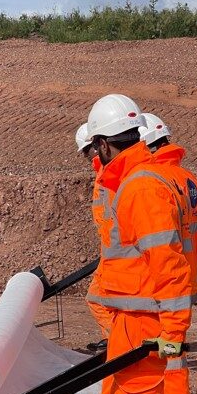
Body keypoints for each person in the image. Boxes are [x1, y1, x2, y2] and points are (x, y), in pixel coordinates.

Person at [84, 94, 197, 394]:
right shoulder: (141, 180)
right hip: (136, 319)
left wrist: (171, 335)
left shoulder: (142, 187)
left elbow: (167, 266)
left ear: (104, 145)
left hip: (144, 322)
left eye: (95, 149)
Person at [139, 113, 197, 394]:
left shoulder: (155, 181)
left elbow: (159, 247)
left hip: (158, 292)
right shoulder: (188, 179)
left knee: (157, 369)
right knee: (174, 364)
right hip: (182, 288)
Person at [75, 122, 112, 355]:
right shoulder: (103, 173)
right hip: (111, 248)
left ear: (96, 146)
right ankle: (114, 340)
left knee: (98, 298)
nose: (86, 158)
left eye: (86, 152)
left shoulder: (108, 173)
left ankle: (118, 343)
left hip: (117, 250)